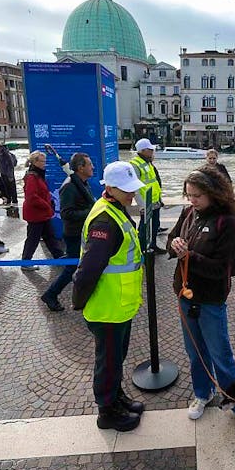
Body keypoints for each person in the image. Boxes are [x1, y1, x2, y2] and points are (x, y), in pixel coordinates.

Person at [167, 166, 235, 440]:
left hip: (211, 300)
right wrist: (175, 245)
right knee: (195, 354)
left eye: (197, 196)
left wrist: (188, 255)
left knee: (221, 356)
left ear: (214, 194)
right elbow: (170, 241)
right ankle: (203, 393)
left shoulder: (227, 225)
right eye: (189, 195)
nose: (192, 200)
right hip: (185, 295)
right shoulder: (188, 213)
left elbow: (225, 269)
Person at [72, 160, 147, 432]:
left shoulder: (116, 208)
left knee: (116, 360)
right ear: (110, 187)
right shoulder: (105, 219)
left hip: (119, 305)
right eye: (126, 189)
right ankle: (107, 412)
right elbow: (89, 268)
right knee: (108, 362)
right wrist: (78, 301)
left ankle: (116, 398)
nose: (132, 194)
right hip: (107, 307)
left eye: (133, 188)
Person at [40, 152, 95, 311]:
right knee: (72, 267)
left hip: (82, 232)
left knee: (79, 266)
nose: (92, 167)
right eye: (89, 164)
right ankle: (50, 294)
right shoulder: (70, 186)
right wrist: (90, 212)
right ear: (80, 168)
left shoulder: (82, 183)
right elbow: (66, 214)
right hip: (74, 235)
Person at [21, 150, 64, 271]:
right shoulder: (32, 177)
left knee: (50, 236)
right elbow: (32, 197)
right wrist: (46, 205)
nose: (45, 163)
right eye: (42, 161)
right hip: (36, 214)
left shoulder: (37, 174)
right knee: (33, 238)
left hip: (41, 213)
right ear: (35, 162)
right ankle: (25, 261)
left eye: (45, 161)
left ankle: (59, 256)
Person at [130, 138, 165, 252]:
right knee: (145, 228)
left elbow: (154, 182)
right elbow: (135, 187)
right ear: (143, 150)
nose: (152, 152)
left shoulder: (147, 162)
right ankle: (142, 249)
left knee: (154, 226)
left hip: (154, 201)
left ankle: (153, 246)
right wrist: (141, 205)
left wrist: (159, 199)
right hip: (146, 202)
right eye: (150, 150)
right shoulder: (135, 165)